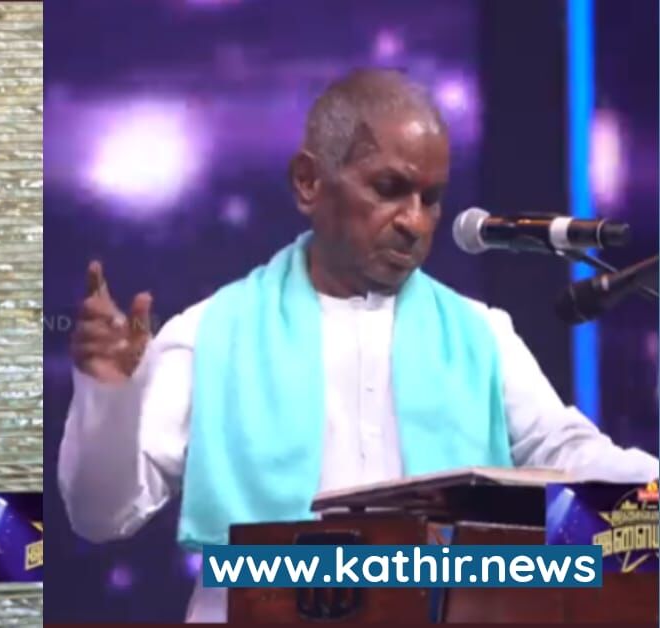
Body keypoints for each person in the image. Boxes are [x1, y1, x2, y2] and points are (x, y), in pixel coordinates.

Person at [57, 68, 659, 623]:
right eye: (389, 189)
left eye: (431, 198)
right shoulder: (210, 334)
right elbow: (100, 516)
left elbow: (569, 452)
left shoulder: (481, 334)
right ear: (308, 182)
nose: (415, 222)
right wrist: (107, 400)